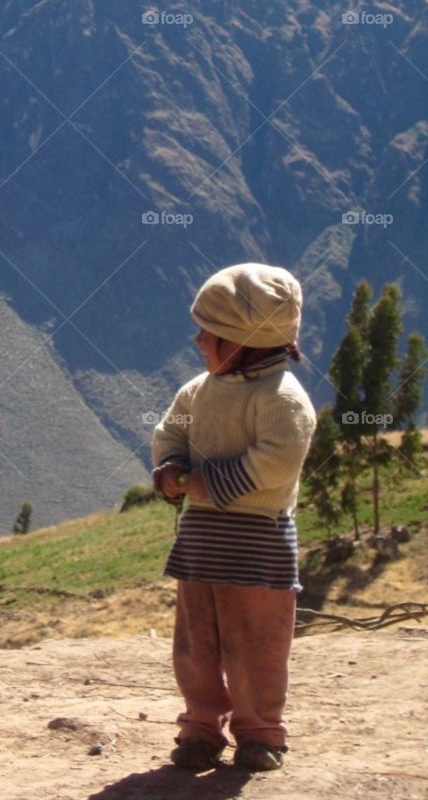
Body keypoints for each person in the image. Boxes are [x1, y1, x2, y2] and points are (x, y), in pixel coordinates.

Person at [151, 262, 317, 773]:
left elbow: (276, 460)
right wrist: (170, 467)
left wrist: (202, 483)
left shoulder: (283, 400)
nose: (199, 340)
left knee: (258, 646)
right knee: (195, 645)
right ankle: (201, 727)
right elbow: (170, 432)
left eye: (212, 332)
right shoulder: (198, 390)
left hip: (257, 545)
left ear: (245, 342)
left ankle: (260, 733)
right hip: (201, 542)